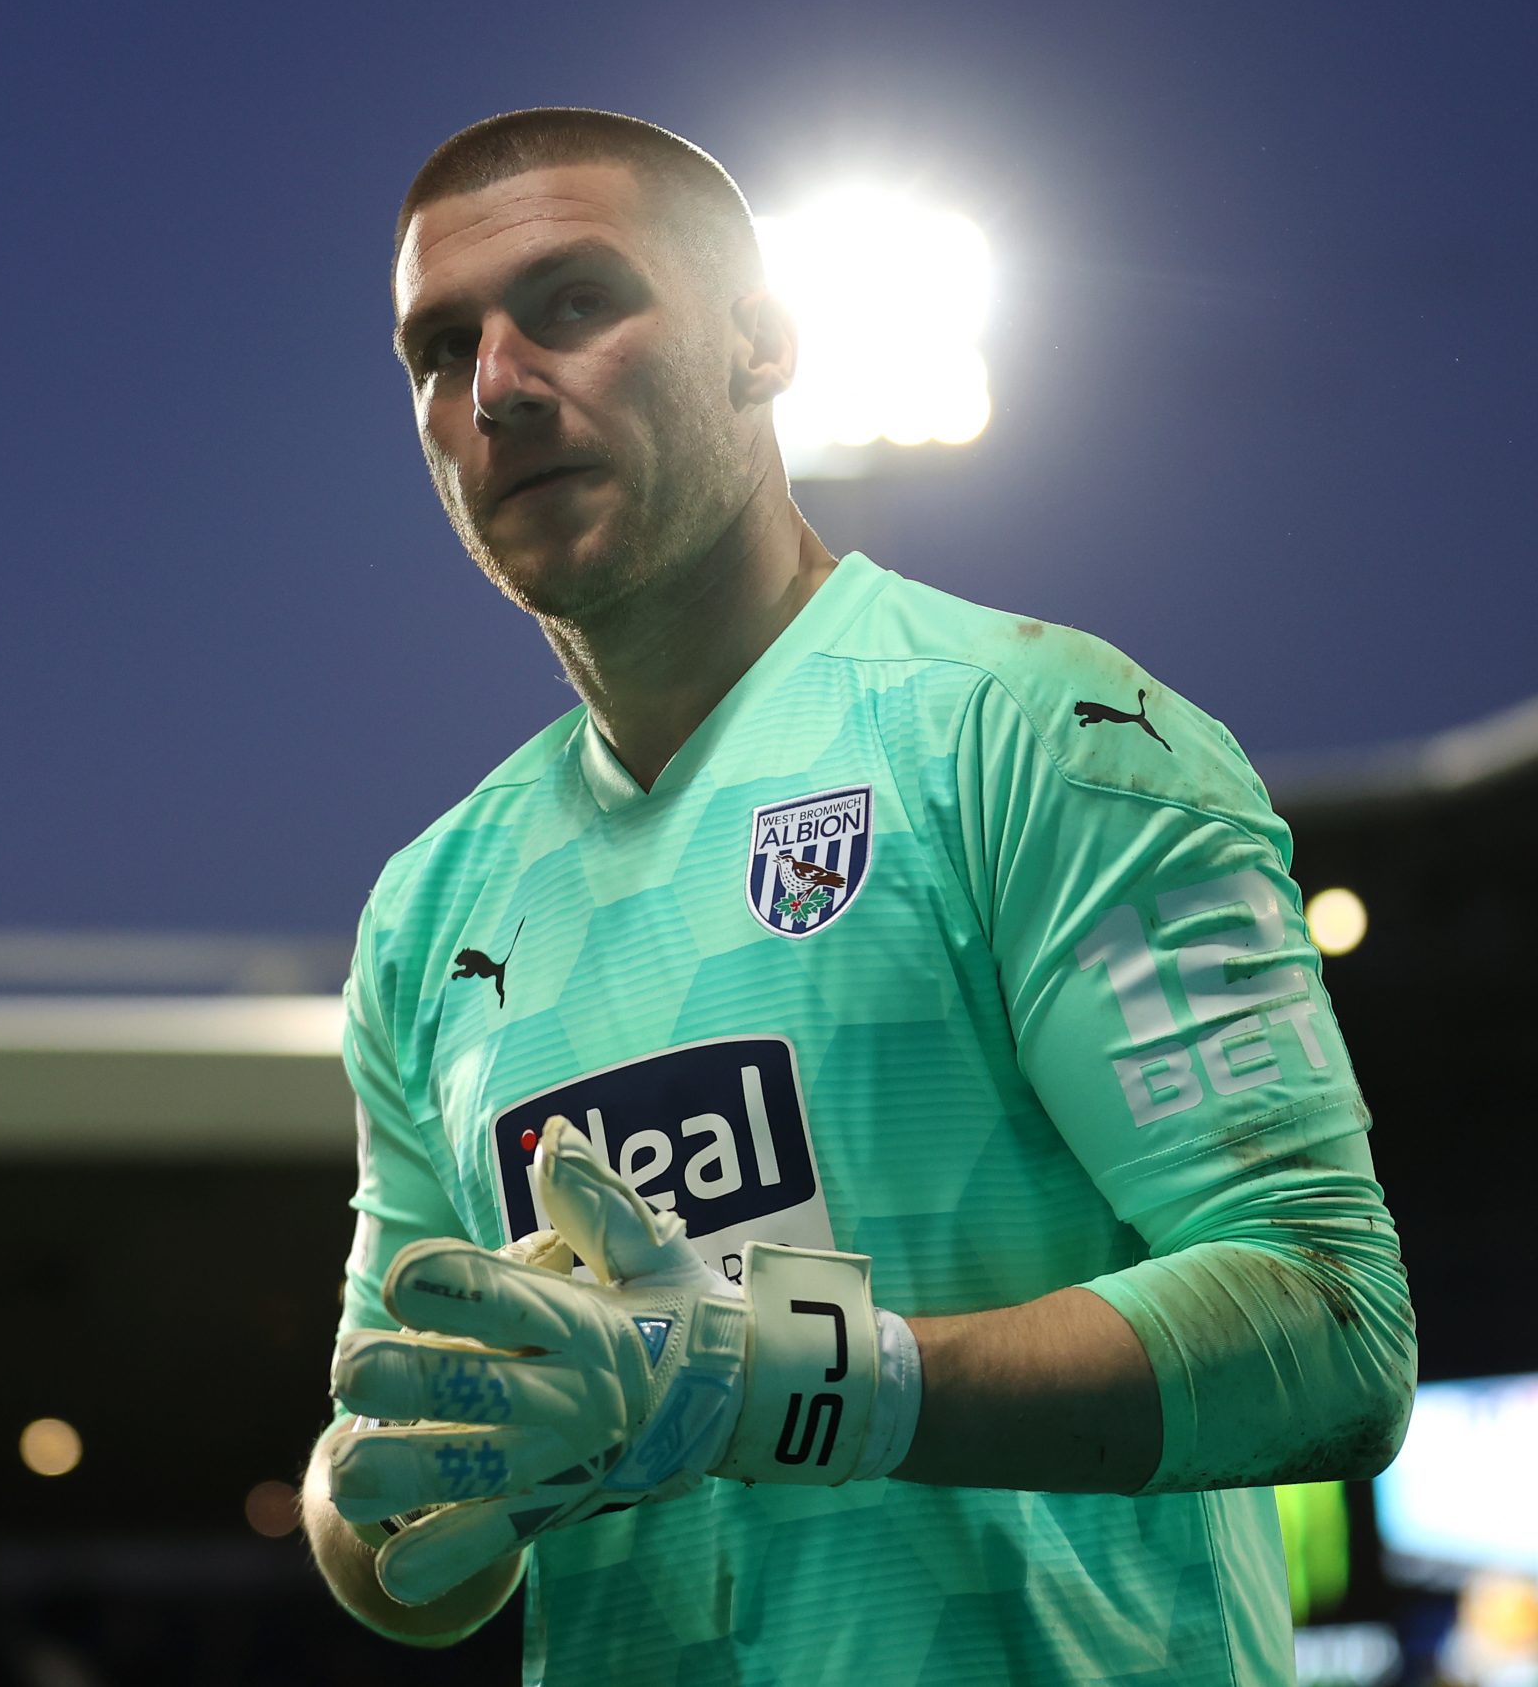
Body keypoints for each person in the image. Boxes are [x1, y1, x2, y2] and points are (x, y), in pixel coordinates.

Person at [299, 107, 1416, 1685]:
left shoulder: (1042, 736)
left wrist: (793, 1385)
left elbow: (1331, 1329)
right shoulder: (430, 916)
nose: (494, 388)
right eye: (437, 347)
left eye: (571, 305)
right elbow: (381, 1504)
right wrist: (403, 1501)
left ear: (763, 344)